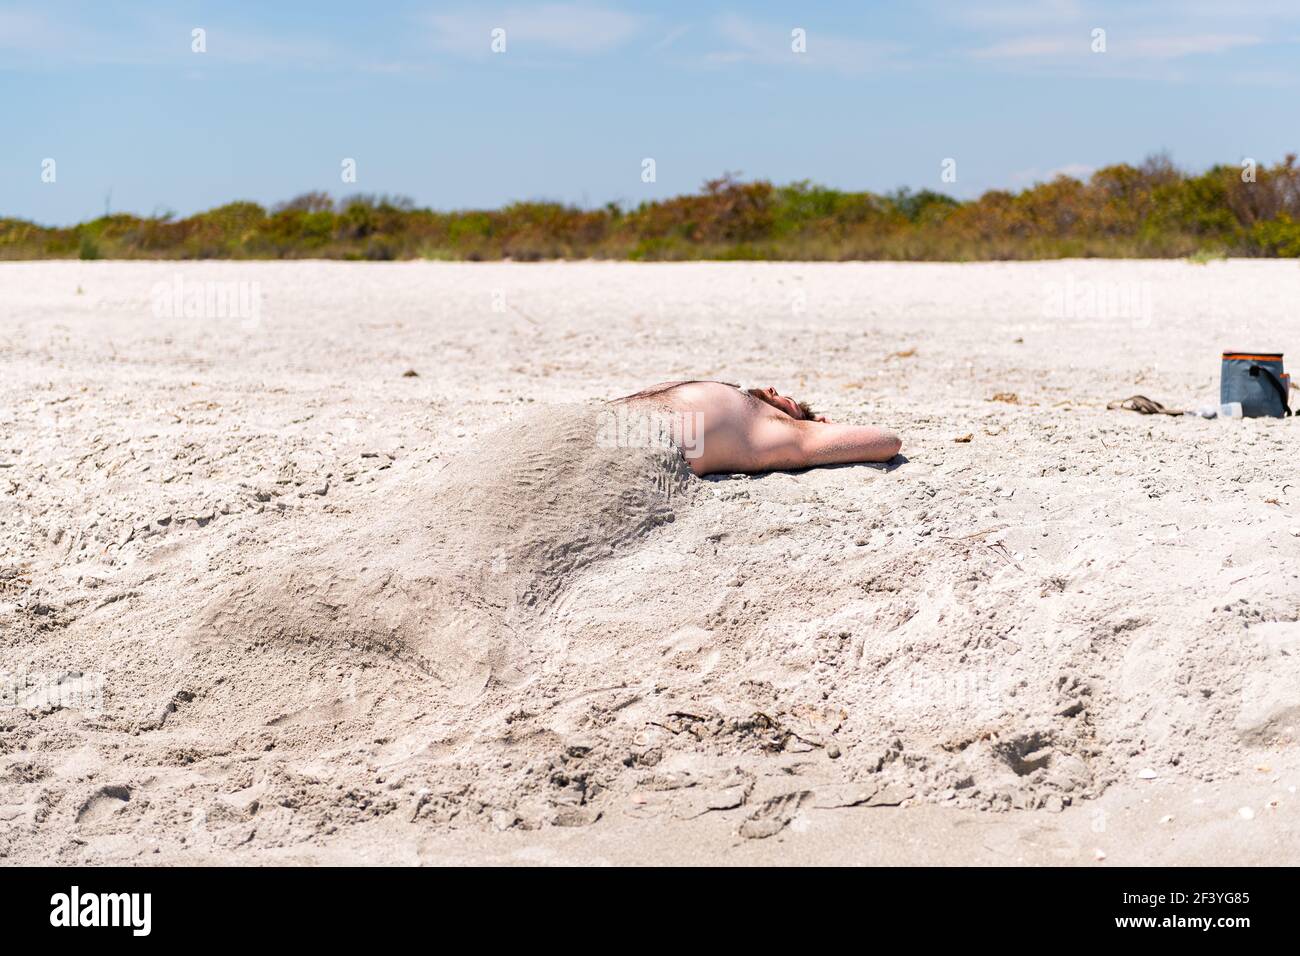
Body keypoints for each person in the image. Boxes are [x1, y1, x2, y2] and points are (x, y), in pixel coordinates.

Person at [612, 380, 901, 477]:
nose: (774, 390)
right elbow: (887, 441)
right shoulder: (747, 406)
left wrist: (816, 426)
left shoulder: (776, 424)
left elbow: (887, 442)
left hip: (621, 429)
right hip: (637, 433)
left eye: (790, 401)